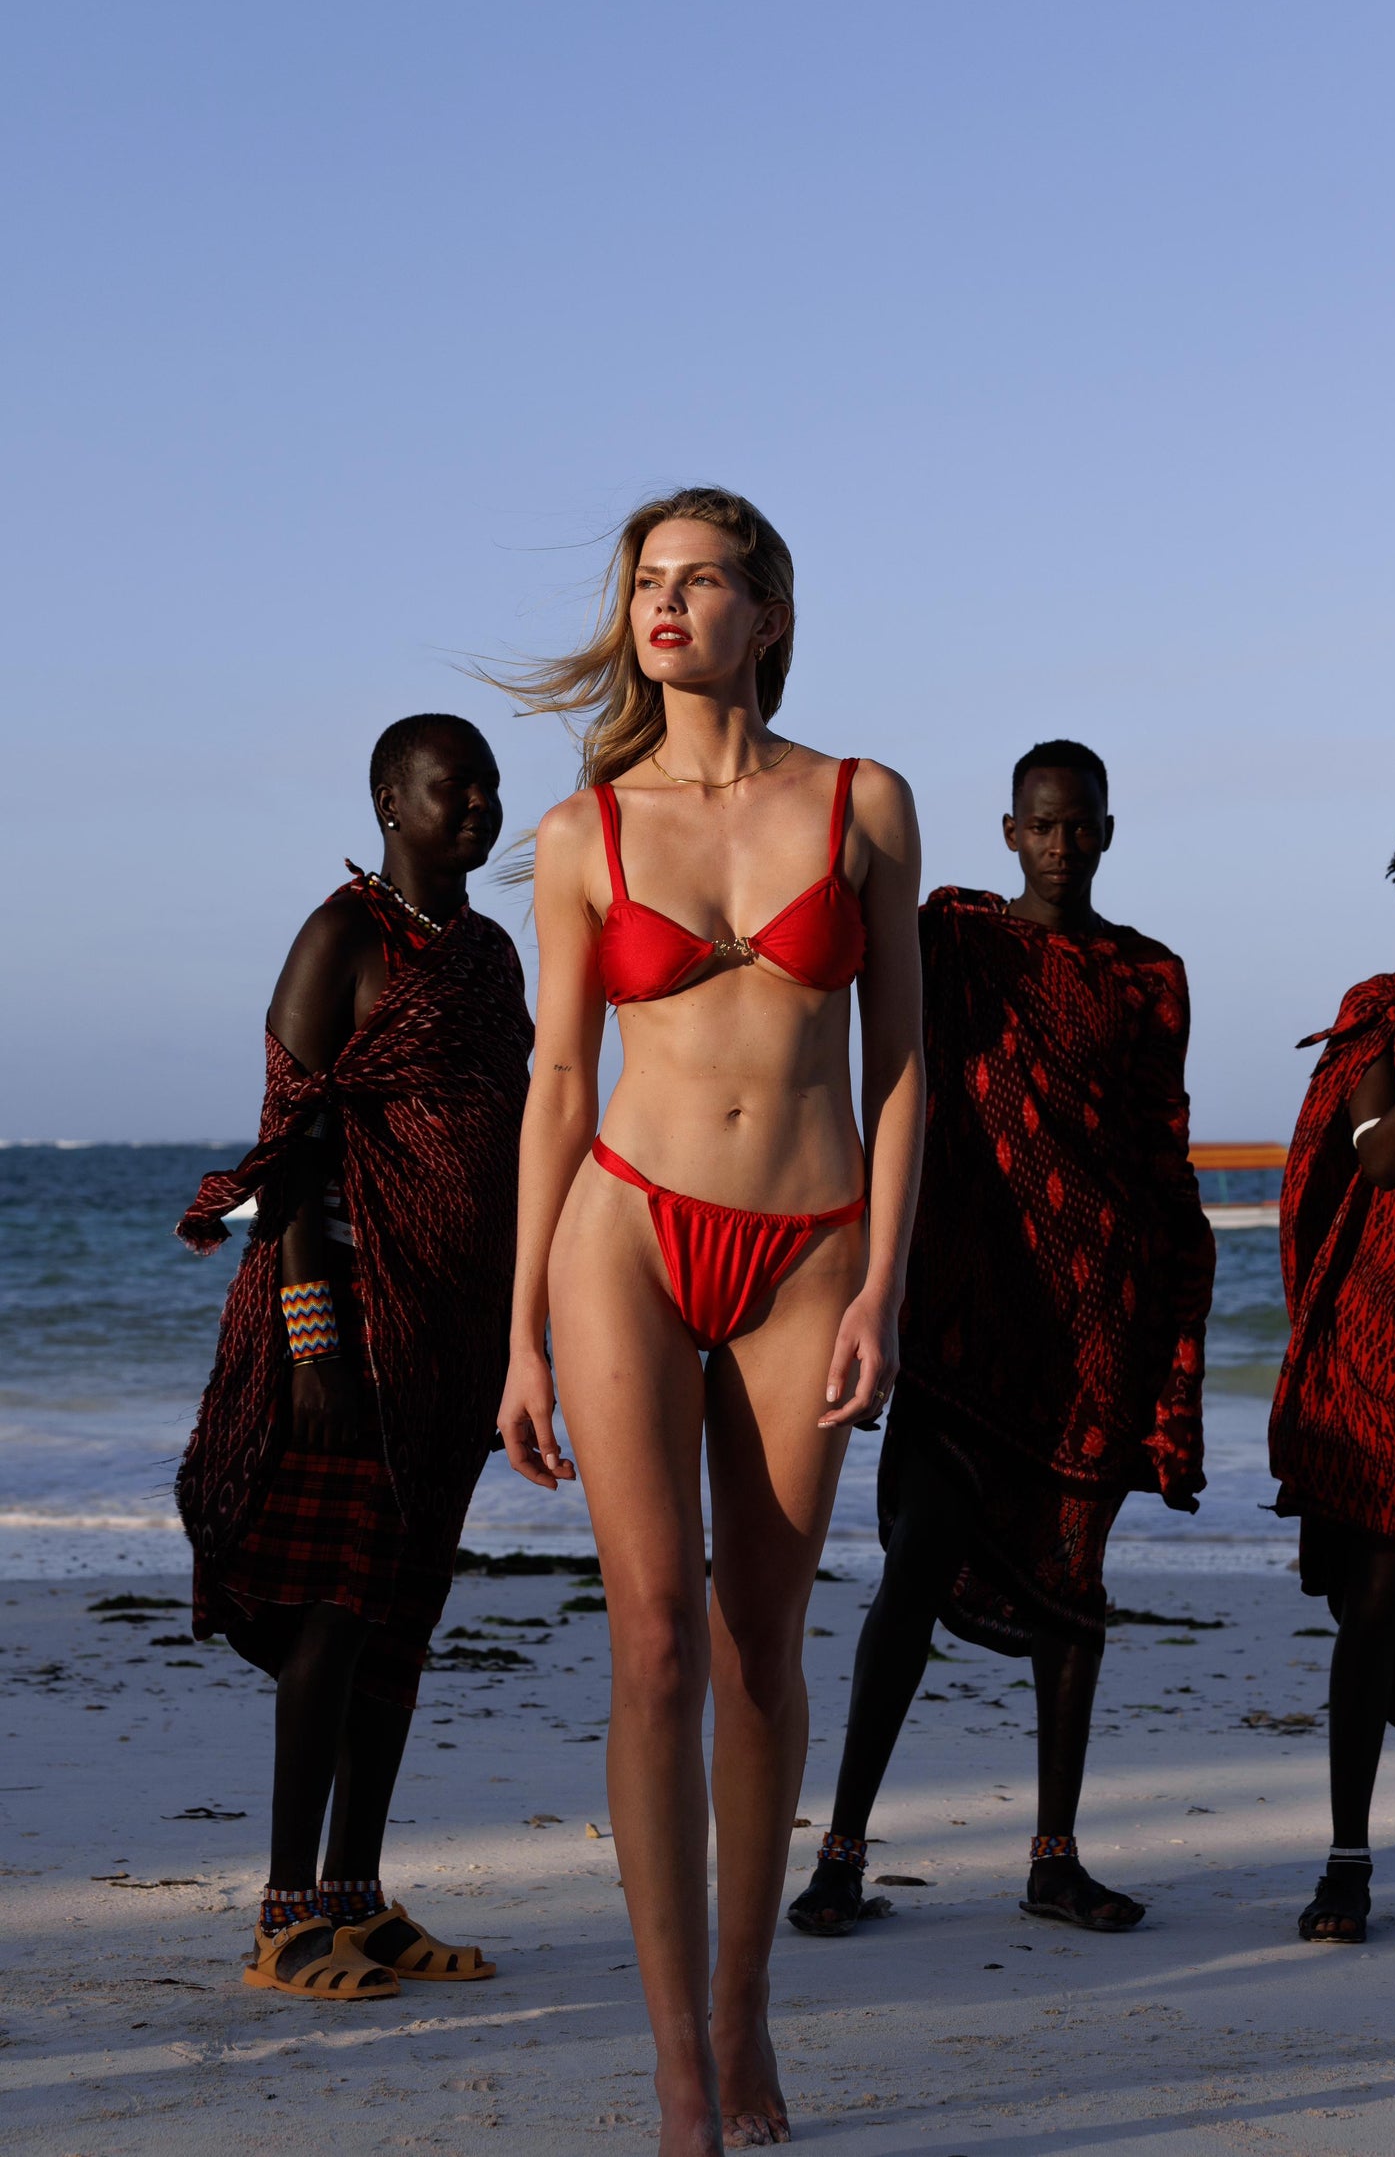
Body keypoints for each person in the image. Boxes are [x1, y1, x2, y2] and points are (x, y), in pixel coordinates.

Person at [491, 487, 922, 2153]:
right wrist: (521, 1324)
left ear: (770, 614)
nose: (665, 606)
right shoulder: (587, 832)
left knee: (763, 1644)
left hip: (811, 1247)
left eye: (702, 581)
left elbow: (901, 1072)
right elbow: (552, 1083)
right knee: (654, 1637)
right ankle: (680, 2070)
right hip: (626, 1231)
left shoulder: (863, 802)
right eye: (647, 583)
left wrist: (889, 1278)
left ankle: (746, 2014)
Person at [789, 740, 1215, 1941]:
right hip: (964, 1308)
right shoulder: (953, 943)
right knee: (914, 1561)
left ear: (1106, 834)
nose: (1062, 845)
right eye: (1041, 825)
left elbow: (1157, 1144)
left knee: (1071, 1596)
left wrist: (1173, 1331)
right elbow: (845, 979)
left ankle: (1052, 1857)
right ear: (1009, 832)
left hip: (1095, 1322)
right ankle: (839, 1851)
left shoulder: (1150, 976)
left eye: (1081, 826)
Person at [176, 714, 533, 1998]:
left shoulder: (487, 954)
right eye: (455, 788)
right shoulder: (343, 936)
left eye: (492, 787)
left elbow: (515, 1136)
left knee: (398, 1622)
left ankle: (359, 1898)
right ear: (392, 797)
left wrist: (518, 1337)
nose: (481, 808)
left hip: (453, 1336)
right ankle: (284, 1919)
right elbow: (291, 1157)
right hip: (342, 1330)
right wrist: (312, 1345)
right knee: (331, 1614)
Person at [1271, 811, 1395, 1945]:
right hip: (1383, 1347)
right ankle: (1345, 1861)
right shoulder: (1382, 1016)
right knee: (1377, 1604)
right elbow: (1382, 1152)